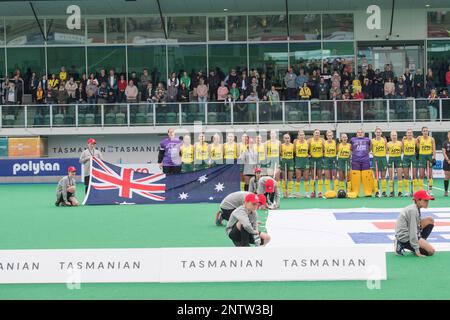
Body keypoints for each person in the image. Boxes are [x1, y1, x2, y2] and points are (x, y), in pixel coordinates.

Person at [394, 190, 435, 257]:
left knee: (430, 220)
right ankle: (401, 243)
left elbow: (414, 227)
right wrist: (417, 250)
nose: (427, 202)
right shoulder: (413, 211)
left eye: (428, 200)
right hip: (404, 236)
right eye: (425, 200)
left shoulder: (415, 207)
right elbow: (412, 231)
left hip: (408, 231)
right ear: (418, 200)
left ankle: (418, 243)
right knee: (430, 251)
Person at [349, 129, 373, 197]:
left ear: (364, 133)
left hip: (365, 160)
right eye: (358, 132)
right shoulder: (352, 139)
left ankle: (367, 192)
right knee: (355, 176)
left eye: (361, 132)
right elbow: (350, 148)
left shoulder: (368, 140)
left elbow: (370, 148)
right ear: (356, 134)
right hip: (355, 160)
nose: (360, 133)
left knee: (366, 176)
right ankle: (355, 191)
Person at [416, 127, 436, 195]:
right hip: (422, 157)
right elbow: (417, 147)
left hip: (429, 156)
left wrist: (434, 158)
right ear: (422, 132)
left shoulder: (431, 139)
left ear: (428, 131)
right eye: (424, 131)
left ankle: (430, 190)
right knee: (421, 175)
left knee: (430, 175)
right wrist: (417, 140)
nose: (425, 132)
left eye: (426, 131)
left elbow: (434, 149)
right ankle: (421, 190)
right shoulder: (419, 138)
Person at [371, 127, 388, 197]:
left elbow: (386, 149)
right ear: (375, 133)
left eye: (379, 132)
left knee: (383, 176)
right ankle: (377, 191)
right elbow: (371, 148)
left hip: (383, 158)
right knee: (376, 176)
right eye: (377, 132)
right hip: (376, 159)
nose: (378, 133)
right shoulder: (372, 141)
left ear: (381, 133)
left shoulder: (384, 140)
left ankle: (383, 191)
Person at [308, 129, 324, 198]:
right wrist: (308, 154)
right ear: (313, 134)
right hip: (312, 159)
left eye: (318, 133)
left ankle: (319, 192)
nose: (317, 134)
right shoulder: (310, 141)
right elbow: (307, 149)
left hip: (319, 159)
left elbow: (324, 149)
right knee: (312, 176)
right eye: (316, 133)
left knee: (320, 175)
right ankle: (312, 191)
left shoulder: (322, 141)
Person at [293, 130, 310, 198]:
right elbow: (294, 151)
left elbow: (309, 150)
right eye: (300, 135)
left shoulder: (307, 142)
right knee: (298, 178)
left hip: (305, 160)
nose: (302, 136)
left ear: (304, 136)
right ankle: (297, 192)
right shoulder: (295, 142)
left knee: (306, 178)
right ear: (298, 136)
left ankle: (306, 193)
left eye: (303, 135)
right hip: (298, 160)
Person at [387, 131, 404, 197]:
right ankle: (391, 192)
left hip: (398, 159)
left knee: (399, 176)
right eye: (392, 135)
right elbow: (386, 151)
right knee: (391, 176)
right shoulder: (388, 144)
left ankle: (400, 192)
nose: (394, 136)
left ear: (397, 136)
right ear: (390, 136)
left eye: (395, 135)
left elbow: (403, 150)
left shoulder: (400, 143)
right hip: (391, 159)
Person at [402, 129, 418, 196]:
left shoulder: (415, 140)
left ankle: (414, 191)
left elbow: (417, 147)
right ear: (406, 134)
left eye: (410, 133)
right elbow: (402, 149)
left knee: (414, 175)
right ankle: (407, 191)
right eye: (408, 133)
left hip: (413, 157)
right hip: (406, 157)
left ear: (412, 134)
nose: (409, 134)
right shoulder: (403, 140)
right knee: (406, 175)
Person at [280, 133, 294, 198]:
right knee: (284, 178)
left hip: (290, 161)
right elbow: (280, 153)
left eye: (288, 138)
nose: (287, 139)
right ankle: (284, 192)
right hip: (284, 161)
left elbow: (294, 153)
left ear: (290, 139)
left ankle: (290, 192)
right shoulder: (281, 146)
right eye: (285, 138)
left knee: (290, 178)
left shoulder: (292, 145)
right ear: (283, 139)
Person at [323, 130, 338, 195]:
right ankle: (328, 191)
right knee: (327, 176)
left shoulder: (335, 142)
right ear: (326, 136)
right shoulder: (324, 143)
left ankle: (335, 190)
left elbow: (337, 150)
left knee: (335, 176)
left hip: (333, 159)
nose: (329, 137)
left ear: (332, 136)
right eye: (328, 135)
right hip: (326, 159)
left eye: (331, 135)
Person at [442, 130, 450, 197]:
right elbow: (444, 152)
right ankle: (446, 191)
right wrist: (448, 160)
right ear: (447, 135)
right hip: (447, 162)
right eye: (449, 134)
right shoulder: (445, 143)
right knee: (447, 177)